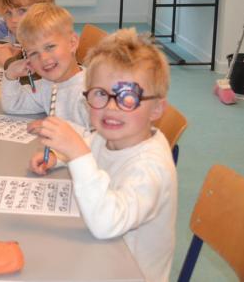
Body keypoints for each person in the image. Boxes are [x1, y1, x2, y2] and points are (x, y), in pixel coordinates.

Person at [28, 28, 177, 282]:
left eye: (128, 97)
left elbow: (107, 224)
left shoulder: (151, 168)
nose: (111, 107)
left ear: (156, 109)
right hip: (100, 252)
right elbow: (89, 144)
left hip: (130, 273)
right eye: (100, 93)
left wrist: (77, 154)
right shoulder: (109, 136)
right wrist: (59, 157)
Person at [1, 2, 90, 132]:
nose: (43, 58)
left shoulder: (90, 93)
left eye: (50, 47)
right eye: (33, 53)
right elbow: (13, 105)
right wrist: (11, 75)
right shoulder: (47, 84)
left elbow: (104, 138)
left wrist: (55, 129)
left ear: (72, 43)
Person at [0, 0, 55, 66]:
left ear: (43, 10)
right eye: (8, 12)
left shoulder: (51, 42)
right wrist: (19, 53)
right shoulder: (31, 39)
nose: (14, 20)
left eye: (22, 11)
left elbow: (37, 73)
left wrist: (7, 61)